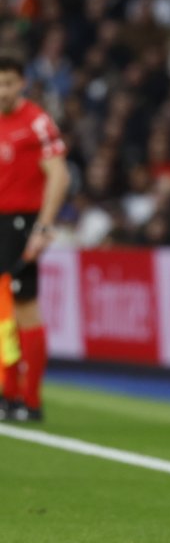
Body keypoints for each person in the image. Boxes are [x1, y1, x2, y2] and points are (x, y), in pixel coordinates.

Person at [0, 49, 70, 423]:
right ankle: (8, 394)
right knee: (2, 313)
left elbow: (59, 175)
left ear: (21, 83)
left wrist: (43, 227)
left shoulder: (36, 122)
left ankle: (31, 398)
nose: (1, 91)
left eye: (8, 83)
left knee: (24, 307)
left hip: (21, 222)